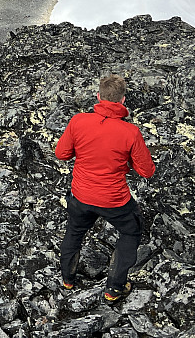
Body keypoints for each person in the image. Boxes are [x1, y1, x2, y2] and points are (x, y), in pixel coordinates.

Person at [55, 74, 155, 302]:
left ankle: (67, 279)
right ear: (122, 100)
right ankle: (115, 288)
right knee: (131, 231)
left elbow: (61, 154)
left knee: (75, 231)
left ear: (98, 96)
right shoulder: (130, 132)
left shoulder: (78, 121)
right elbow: (147, 171)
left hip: (81, 195)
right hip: (114, 200)